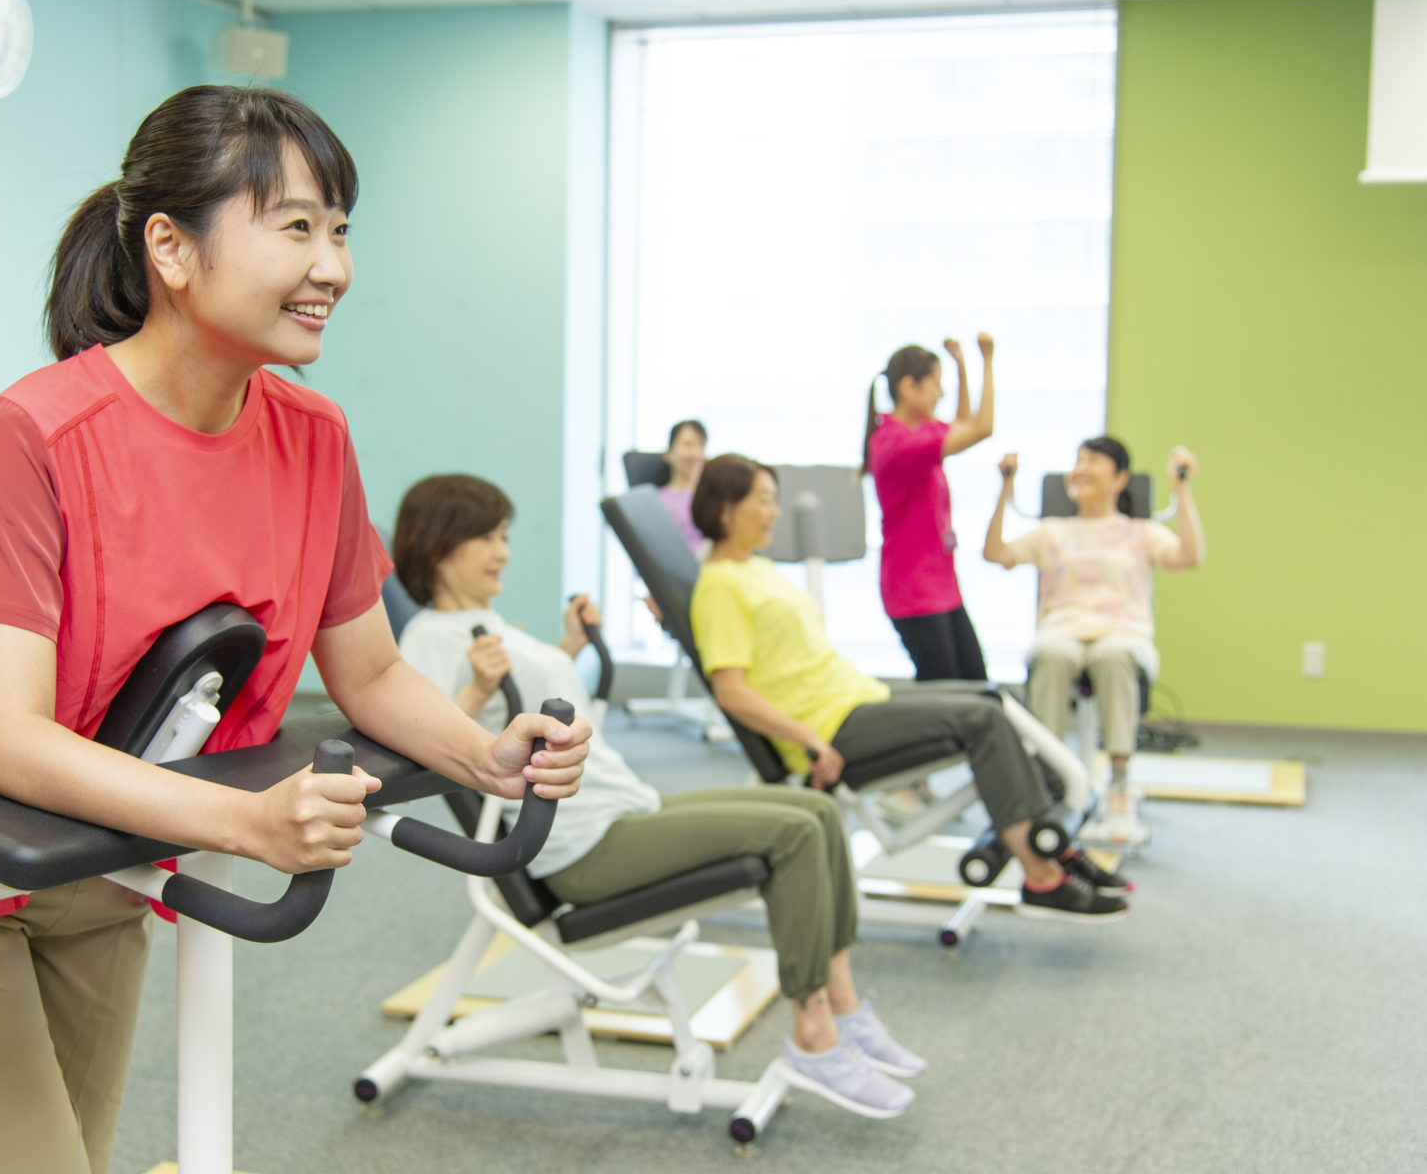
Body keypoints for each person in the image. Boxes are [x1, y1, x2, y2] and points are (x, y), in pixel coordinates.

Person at [0, 87, 589, 1174]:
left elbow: (367, 672)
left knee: (47, 1160)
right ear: (171, 247)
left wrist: (484, 756)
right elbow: (11, 741)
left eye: (341, 230)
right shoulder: (35, 431)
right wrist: (246, 821)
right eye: (296, 227)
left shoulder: (314, 436)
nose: (333, 268)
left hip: (103, 853)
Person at [390, 473, 922, 1120]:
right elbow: (422, 747)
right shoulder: (424, 640)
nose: (501, 551)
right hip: (579, 846)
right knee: (793, 834)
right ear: (440, 546)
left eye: (503, 536)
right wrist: (473, 692)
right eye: (485, 537)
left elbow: (523, 703)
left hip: (623, 805)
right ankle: (814, 1035)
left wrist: (567, 647)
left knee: (814, 810)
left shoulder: (485, 622)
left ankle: (840, 1006)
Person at [688, 454, 1130, 924]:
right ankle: (1040, 875)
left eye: (775, 501)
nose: (774, 512)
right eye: (764, 501)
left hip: (857, 700)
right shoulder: (718, 586)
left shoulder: (756, 568)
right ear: (726, 508)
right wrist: (810, 742)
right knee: (982, 721)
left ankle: (1057, 848)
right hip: (828, 727)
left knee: (987, 696)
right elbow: (730, 692)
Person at [984, 438, 1204, 841]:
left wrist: (1182, 489)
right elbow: (995, 553)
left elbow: (1190, 556)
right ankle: (1046, 779)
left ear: (1120, 478)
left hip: (1123, 635)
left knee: (1114, 654)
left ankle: (1119, 785)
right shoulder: (1052, 530)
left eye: (1093, 461)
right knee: (1049, 652)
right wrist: (1004, 487)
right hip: (1062, 630)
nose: (1080, 468)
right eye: (1077, 460)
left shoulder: (1139, 532)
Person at [861, 335, 996, 681]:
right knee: (945, 690)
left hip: (942, 584)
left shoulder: (920, 430)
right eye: (936, 383)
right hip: (913, 590)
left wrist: (961, 365)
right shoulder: (897, 442)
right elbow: (982, 428)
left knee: (974, 681)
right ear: (909, 387)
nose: (941, 393)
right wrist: (988, 359)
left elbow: (963, 421)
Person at [656, 419, 709, 556]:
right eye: (687, 445)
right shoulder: (657, 501)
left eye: (701, 445)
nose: (695, 453)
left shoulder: (713, 495)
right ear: (668, 454)